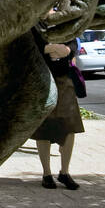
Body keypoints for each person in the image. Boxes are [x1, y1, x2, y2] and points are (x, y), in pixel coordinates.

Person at [31, 32, 84, 190]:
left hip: (64, 79)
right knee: (44, 127)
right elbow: (30, 46)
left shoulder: (65, 18)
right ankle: (46, 174)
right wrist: (50, 48)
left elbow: (74, 42)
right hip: (42, 79)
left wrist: (67, 50)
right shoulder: (37, 23)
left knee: (70, 126)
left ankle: (64, 172)